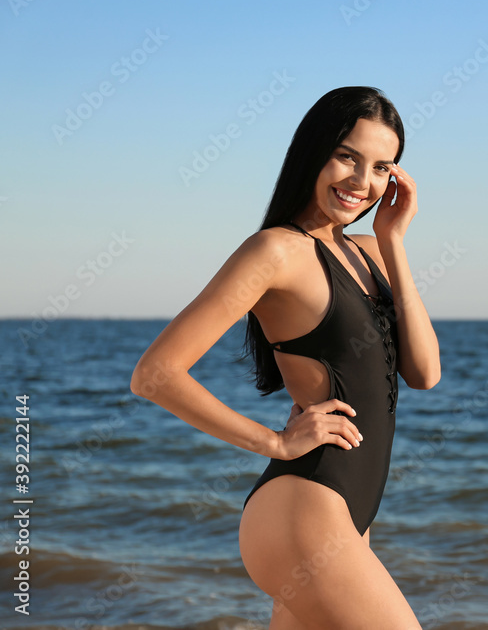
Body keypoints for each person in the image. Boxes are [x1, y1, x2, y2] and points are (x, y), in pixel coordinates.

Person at [130, 86, 440, 629]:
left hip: (348, 516)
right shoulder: (276, 251)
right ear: (313, 150)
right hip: (302, 512)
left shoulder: (370, 251)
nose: (361, 182)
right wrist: (273, 441)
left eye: (381, 167)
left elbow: (424, 373)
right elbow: (156, 374)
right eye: (347, 156)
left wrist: (393, 241)